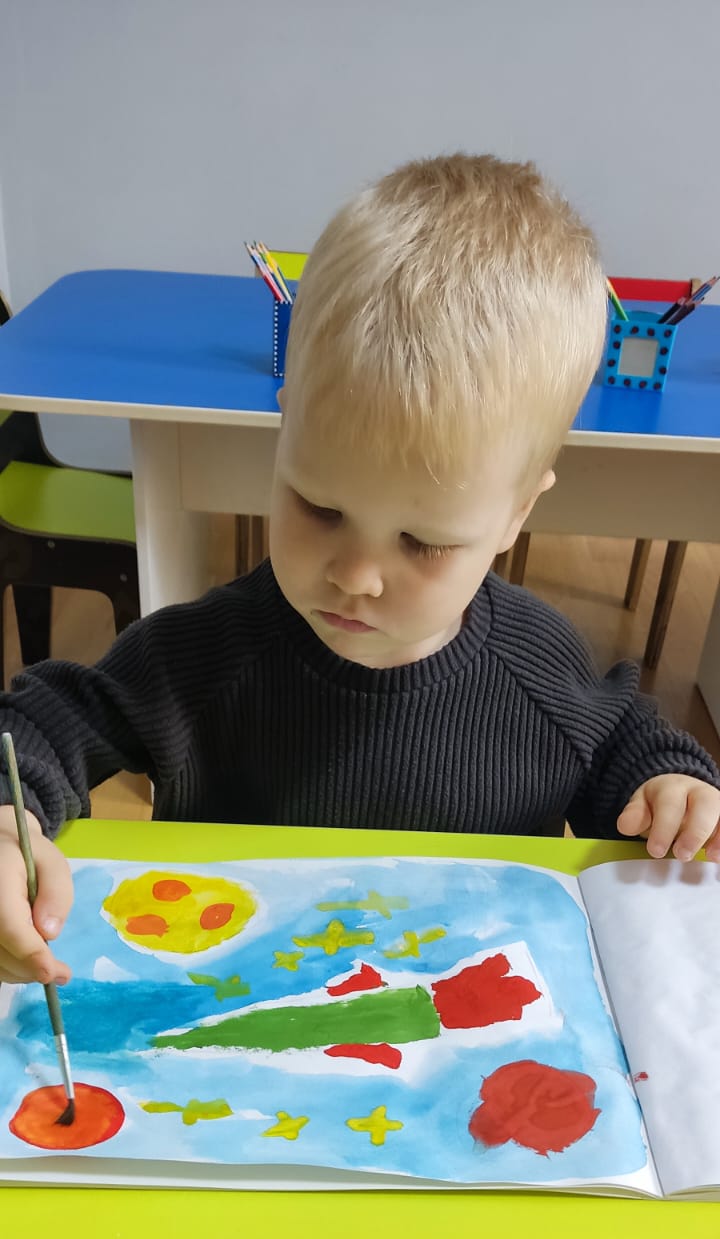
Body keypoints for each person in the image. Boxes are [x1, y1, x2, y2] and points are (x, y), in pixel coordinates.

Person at [1, 153, 718, 990]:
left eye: (423, 541)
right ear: (284, 435)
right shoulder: (201, 659)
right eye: (320, 507)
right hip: (229, 1013)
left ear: (516, 515)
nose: (357, 576)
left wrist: (670, 786)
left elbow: (626, 746)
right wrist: (9, 818)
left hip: (467, 1025)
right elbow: (43, 721)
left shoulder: (540, 669)